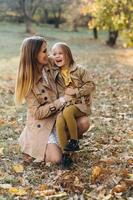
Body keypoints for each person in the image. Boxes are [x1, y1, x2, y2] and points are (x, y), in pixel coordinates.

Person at [15, 36, 90, 167]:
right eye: (44, 51)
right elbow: (38, 113)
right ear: (34, 55)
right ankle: (30, 141)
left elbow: (68, 64)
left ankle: (69, 145)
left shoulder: (50, 62)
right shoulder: (28, 82)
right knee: (55, 159)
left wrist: (78, 88)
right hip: (43, 123)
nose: (49, 54)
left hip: (59, 116)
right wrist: (61, 100)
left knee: (83, 123)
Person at [51, 42, 95, 167]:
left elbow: (91, 85)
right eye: (54, 54)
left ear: (68, 55)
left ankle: (74, 142)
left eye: (60, 53)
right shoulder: (56, 73)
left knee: (68, 112)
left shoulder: (79, 70)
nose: (57, 56)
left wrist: (76, 92)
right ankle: (66, 155)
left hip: (80, 104)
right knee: (60, 121)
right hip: (66, 104)